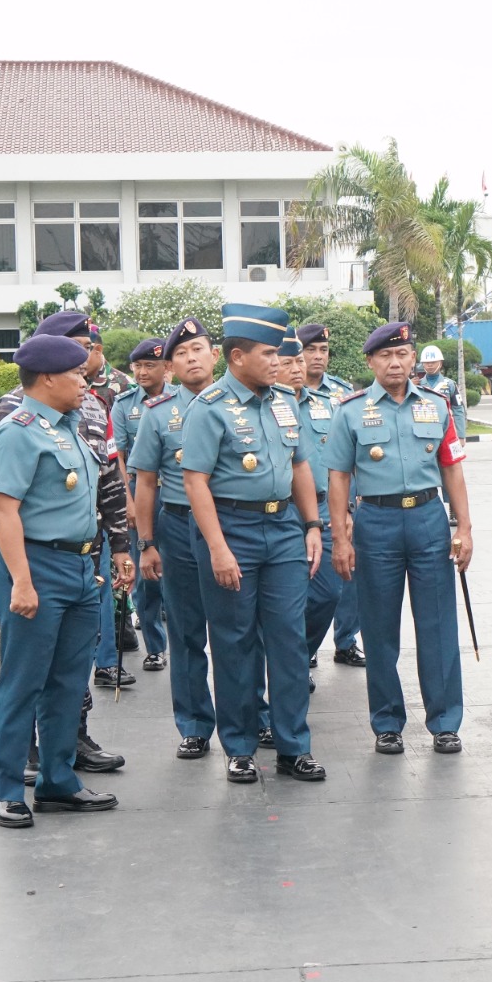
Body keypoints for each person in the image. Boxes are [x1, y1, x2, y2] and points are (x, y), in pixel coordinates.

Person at [0, 333, 128, 829]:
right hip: (35, 567)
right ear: (46, 378)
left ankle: (58, 782)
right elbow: (2, 510)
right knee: (23, 682)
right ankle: (5, 789)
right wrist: (21, 582)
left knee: (68, 683)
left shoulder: (69, 429)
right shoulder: (18, 430)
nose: (85, 383)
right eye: (76, 376)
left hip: (79, 568)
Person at [181, 303, 325, 784]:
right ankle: (240, 746)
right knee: (234, 642)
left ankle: (293, 746)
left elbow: (300, 465)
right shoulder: (209, 409)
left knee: (289, 639)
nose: (277, 360)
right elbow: (195, 482)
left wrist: (312, 526)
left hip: (283, 529)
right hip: (231, 529)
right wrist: (218, 548)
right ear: (237, 356)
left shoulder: (284, 402)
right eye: (267, 353)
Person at [327, 322, 471, 755]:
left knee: (439, 623)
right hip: (377, 522)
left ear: (414, 359)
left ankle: (445, 721)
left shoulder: (437, 405)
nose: (396, 362)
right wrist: (340, 538)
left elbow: (452, 468)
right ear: (371, 361)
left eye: (403, 354)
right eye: (386, 356)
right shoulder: (350, 410)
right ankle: (387, 722)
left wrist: (463, 527)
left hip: (428, 519)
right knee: (379, 626)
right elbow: (338, 478)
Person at [131, 319, 222, 761]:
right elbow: (145, 482)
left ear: (215, 355)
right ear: (169, 366)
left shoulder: (242, 403)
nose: (191, 358)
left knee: (241, 629)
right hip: (179, 528)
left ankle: (252, 716)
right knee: (186, 630)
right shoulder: (158, 413)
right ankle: (194, 724)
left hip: (233, 524)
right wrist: (147, 542)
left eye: (198, 349)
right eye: (181, 354)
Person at [299, 322, 363, 666]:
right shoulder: (280, 396)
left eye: (323, 350)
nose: (318, 356)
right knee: (303, 590)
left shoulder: (339, 395)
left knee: (342, 581)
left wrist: (352, 505)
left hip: (332, 505)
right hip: (290, 509)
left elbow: (352, 455)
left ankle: (345, 640)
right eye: (311, 350)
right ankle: (300, 653)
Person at [113, 338, 169, 671]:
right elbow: (118, 456)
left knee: (180, 573)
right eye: (138, 366)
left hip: (177, 493)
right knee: (144, 571)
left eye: (150, 365)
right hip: (140, 492)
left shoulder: (183, 401)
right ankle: (155, 646)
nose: (143, 372)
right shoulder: (123, 404)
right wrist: (129, 501)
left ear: (167, 368)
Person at [418, 344, 467, 441]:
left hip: (445, 430)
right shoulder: (417, 385)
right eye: (427, 362)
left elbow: (458, 410)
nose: (430, 365)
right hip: (423, 432)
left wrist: (461, 435)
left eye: (433, 362)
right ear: (422, 364)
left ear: (440, 363)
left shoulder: (450, 384)